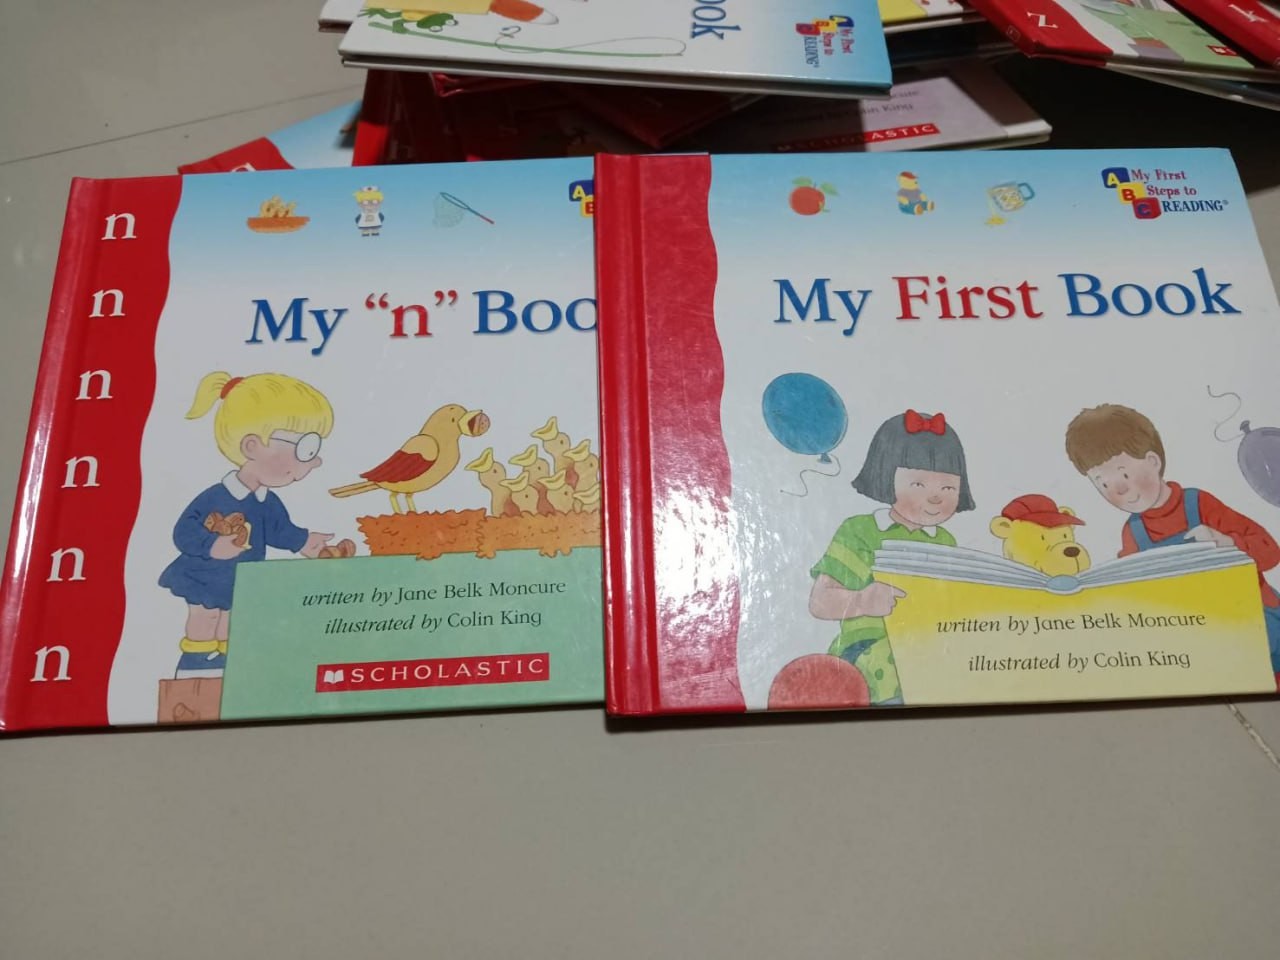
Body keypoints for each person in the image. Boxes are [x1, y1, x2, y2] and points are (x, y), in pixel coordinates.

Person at [1065, 403, 1280, 686]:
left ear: (1153, 461)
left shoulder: (1198, 503)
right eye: (1103, 484)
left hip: (1257, 620)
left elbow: (1270, 551)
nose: (1119, 490)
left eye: (1125, 475)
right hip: (1203, 636)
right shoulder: (1133, 532)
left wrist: (1227, 543)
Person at [159, 372, 334, 678]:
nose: (313, 462)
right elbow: (184, 531)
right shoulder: (216, 496)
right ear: (252, 446)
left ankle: (226, 664)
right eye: (305, 449)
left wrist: (305, 541)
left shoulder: (267, 501)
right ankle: (194, 664)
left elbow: (280, 530)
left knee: (231, 620)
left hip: (239, 577)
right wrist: (212, 545)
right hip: (203, 574)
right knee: (206, 616)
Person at [809, 409, 975, 704]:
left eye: (948, 487)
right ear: (886, 477)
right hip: (866, 649)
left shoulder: (945, 542)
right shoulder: (860, 531)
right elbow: (820, 602)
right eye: (918, 484)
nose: (935, 496)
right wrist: (862, 601)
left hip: (927, 647)